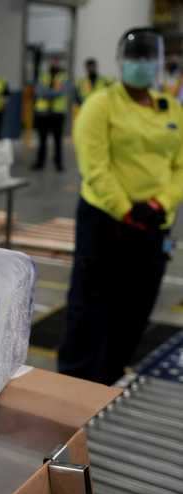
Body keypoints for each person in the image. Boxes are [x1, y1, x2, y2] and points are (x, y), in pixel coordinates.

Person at [59, 28, 183, 385]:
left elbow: (179, 166)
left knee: (135, 309)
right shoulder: (101, 104)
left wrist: (162, 203)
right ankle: (74, 386)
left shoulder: (170, 108)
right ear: (122, 62)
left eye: (150, 58)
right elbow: (95, 166)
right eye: (136, 57)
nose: (143, 64)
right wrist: (126, 208)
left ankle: (110, 379)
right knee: (90, 309)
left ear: (159, 64)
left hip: (154, 224)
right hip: (107, 223)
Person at [31, 58, 69, 172]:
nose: (54, 64)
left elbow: (62, 91)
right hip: (43, 113)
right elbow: (38, 90)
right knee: (42, 140)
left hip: (57, 114)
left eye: (56, 62)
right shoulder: (42, 76)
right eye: (52, 62)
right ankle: (40, 163)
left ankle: (58, 163)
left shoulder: (64, 77)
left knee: (58, 141)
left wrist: (47, 93)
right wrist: (51, 93)